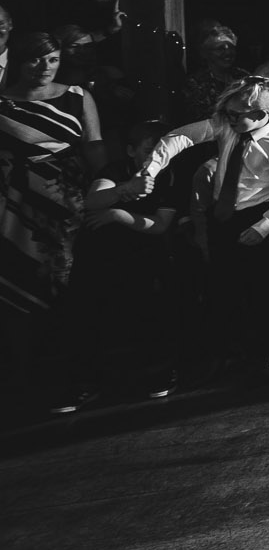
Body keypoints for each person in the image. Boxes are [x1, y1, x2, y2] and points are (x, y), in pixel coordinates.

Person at [133, 76, 269, 381]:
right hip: (222, 216)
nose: (229, 119)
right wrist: (148, 171)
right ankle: (229, 354)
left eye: (237, 114)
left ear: (259, 113)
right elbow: (178, 138)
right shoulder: (226, 125)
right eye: (228, 112)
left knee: (262, 290)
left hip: (260, 216)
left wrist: (264, 227)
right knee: (223, 287)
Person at [52, 120, 184, 412]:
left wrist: (118, 215)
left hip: (144, 254)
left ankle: (158, 374)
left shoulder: (171, 177)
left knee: (148, 310)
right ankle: (84, 384)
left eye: (161, 151)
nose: (156, 158)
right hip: (101, 256)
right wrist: (127, 189)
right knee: (87, 314)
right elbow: (93, 200)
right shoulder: (114, 171)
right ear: (131, 151)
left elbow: (160, 225)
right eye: (150, 150)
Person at [1, 31, 105, 314]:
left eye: (52, 59)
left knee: (65, 262)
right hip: (17, 194)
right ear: (20, 62)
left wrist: (105, 184)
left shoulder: (77, 95)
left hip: (67, 191)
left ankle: (65, 329)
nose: (45, 67)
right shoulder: (2, 102)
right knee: (20, 264)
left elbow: (94, 145)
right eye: (35, 60)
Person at [180, 26, 239, 122]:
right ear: (205, 53)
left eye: (231, 48)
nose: (228, 52)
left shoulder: (242, 76)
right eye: (220, 49)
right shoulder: (195, 83)